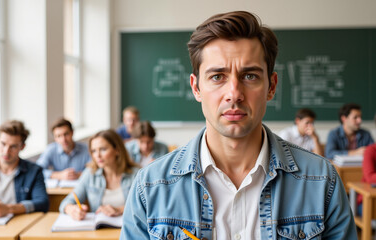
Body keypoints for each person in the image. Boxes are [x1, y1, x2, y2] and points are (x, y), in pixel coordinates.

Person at [120, 11, 356, 239]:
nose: (234, 94)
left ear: (271, 86)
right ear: (196, 87)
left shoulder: (322, 181)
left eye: (250, 76)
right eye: (217, 77)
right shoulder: (149, 187)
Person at [59, 129, 139, 220]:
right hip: (99, 231)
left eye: (103, 149)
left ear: (117, 150)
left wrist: (120, 209)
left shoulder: (137, 175)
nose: (97, 155)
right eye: (94, 151)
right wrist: (71, 209)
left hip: (129, 229)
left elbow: (148, 206)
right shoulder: (90, 173)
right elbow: (67, 202)